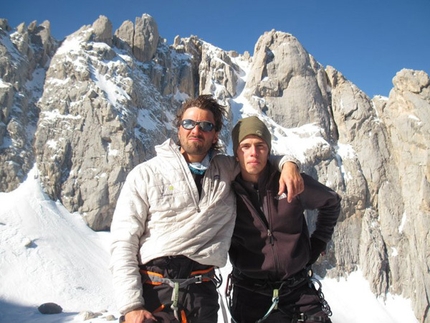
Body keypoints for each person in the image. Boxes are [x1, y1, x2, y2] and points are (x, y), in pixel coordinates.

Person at [110, 95, 304, 323]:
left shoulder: (226, 169)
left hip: (202, 295)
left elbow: (256, 158)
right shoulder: (145, 174)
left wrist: (289, 164)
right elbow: (123, 241)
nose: (196, 130)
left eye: (206, 126)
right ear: (179, 129)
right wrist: (131, 305)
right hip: (153, 289)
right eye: (189, 123)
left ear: (214, 135)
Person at [227, 116, 341, 323]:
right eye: (245, 146)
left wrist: (318, 242)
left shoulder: (290, 181)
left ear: (269, 151)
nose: (253, 152)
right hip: (249, 295)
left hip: (298, 292)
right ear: (236, 152)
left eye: (260, 145)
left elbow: (331, 202)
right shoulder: (227, 190)